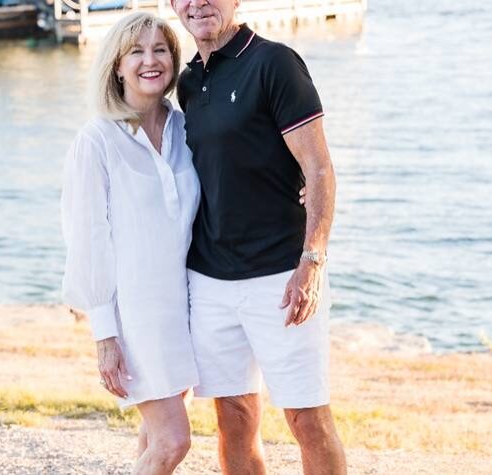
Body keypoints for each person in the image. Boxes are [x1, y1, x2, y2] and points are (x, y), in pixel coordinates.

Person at [170, 1, 347, 474]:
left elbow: (320, 169)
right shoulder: (188, 82)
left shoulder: (274, 63)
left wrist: (312, 260)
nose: (198, 3)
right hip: (209, 280)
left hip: (282, 277)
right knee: (233, 419)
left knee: (307, 418)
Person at [60, 12, 200, 474]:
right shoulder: (97, 139)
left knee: (153, 437)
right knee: (173, 442)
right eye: (136, 51)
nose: (150, 61)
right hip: (136, 316)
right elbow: (86, 239)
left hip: (185, 308)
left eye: (160, 49)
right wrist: (105, 335)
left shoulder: (185, 129)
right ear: (117, 66)